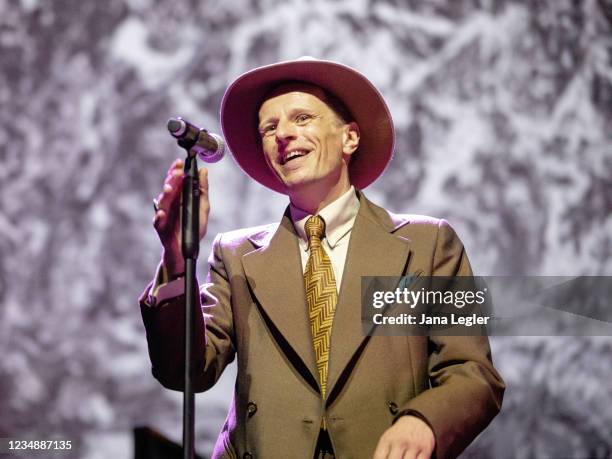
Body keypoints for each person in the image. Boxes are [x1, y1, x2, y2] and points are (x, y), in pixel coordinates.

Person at [140, 57, 505, 459]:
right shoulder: (235, 255)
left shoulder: (429, 243)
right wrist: (175, 257)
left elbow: (473, 373)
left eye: (302, 118)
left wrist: (424, 421)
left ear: (350, 138)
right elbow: (186, 371)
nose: (283, 135)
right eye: (269, 127)